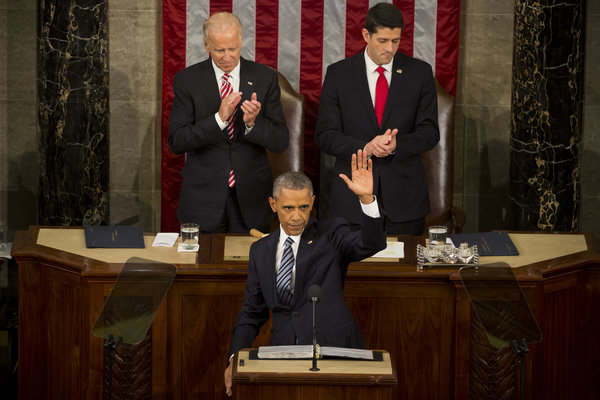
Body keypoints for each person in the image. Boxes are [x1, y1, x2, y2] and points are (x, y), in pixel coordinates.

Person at [223, 149, 386, 396]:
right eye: (288, 208)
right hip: (283, 354)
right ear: (273, 204)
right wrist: (234, 357)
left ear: (312, 202)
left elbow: (370, 243)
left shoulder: (331, 234)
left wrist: (366, 200)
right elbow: (252, 312)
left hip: (335, 350)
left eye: (304, 207)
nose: (297, 217)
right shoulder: (261, 251)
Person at [315, 2, 439, 235]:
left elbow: (430, 132)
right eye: (382, 41)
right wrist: (366, 147)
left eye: (396, 41)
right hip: (352, 202)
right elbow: (325, 135)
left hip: (405, 203)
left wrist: (396, 145)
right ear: (366, 35)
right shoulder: (338, 74)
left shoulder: (419, 73)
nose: (390, 48)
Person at [168, 12, 289, 233]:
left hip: (252, 198)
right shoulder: (187, 80)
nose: (227, 57)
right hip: (203, 201)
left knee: (251, 266)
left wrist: (253, 124)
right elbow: (177, 141)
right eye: (219, 50)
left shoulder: (264, 78)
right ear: (206, 45)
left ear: (241, 40)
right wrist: (219, 119)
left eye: (232, 49)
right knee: (204, 266)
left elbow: (281, 141)